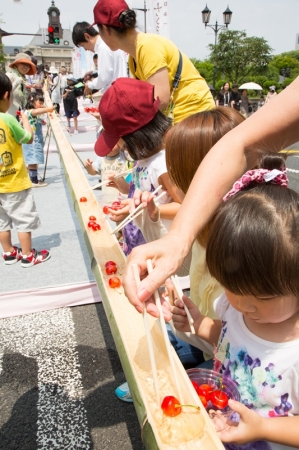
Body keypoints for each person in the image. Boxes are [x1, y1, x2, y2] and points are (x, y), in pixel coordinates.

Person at [121, 76, 299, 320]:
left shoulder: (252, 241)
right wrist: (151, 218)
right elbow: (180, 265)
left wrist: (200, 328)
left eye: (180, 179)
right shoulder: (202, 225)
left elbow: (236, 338)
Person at [171, 153, 299, 449]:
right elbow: (230, 341)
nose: (244, 306)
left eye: (264, 297)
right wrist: (200, 324)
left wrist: (263, 428)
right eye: (232, 287)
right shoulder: (234, 308)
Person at [91, 0, 214, 123]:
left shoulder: (148, 46)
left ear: (106, 29)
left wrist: (118, 115)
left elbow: (160, 100)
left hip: (196, 117)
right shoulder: (134, 56)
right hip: (182, 118)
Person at [0, 72, 51, 267]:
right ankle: (28, 255)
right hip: (14, 182)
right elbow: (28, 138)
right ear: (7, 95)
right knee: (23, 219)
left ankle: (9, 253)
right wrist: (26, 122)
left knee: (2, 222)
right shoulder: (8, 119)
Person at [72, 21, 127, 96]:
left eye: (83, 45)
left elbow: (104, 79)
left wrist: (89, 85)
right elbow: (112, 70)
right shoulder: (111, 42)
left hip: (114, 95)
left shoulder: (102, 48)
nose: (85, 49)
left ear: (87, 36)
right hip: (122, 91)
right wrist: (94, 72)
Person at [22, 92, 54, 187]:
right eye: (39, 103)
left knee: (33, 161)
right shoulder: (30, 111)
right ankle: (33, 181)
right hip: (32, 142)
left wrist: (41, 121)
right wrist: (48, 109)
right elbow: (36, 112)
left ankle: (32, 178)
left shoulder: (31, 113)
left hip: (34, 141)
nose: (41, 105)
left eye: (42, 103)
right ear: (32, 102)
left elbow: (36, 118)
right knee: (32, 160)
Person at [6, 53, 37, 118]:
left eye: (28, 65)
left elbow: (22, 98)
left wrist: (28, 91)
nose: (26, 67)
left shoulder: (23, 79)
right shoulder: (9, 76)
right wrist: (16, 83)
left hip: (20, 114)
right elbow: (4, 93)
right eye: (23, 64)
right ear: (17, 64)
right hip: (10, 115)